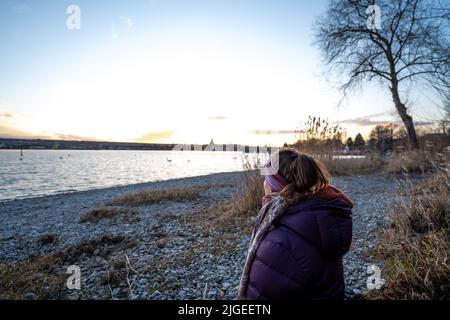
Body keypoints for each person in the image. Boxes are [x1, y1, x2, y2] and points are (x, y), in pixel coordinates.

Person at [238, 148, 353, 300]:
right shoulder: (324, 217)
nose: (264, 183)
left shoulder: (278, 245)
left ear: (273, 187)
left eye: (266, 179)